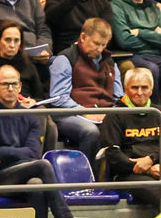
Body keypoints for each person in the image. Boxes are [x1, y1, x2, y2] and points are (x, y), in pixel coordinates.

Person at [0, 65, 102, 218]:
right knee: (43, 165)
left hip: (23, 173)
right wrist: (10, 156)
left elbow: (31, 152)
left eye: (14, 84)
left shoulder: (30, 116)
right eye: (5, 84)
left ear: (20, 86)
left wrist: (2, 153)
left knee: (37, 184)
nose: (10, 88)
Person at [49, 17, 123, 166]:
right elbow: (58, 97)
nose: (100, 49)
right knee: (91, 132)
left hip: (104, 113)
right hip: (70, 114)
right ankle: (90, 182)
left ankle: (117, 180)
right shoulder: (65, 59)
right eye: (96, 43)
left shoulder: (110, 62)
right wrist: (84, 111)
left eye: (103, 45)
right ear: (83, 37)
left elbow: (118, 96)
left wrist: (112, 113)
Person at [99, 67, 161, 204]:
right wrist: (146, 169)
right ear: (125, 89)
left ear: (152, 90)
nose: (139, 92)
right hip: (127, 174)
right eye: (134, 88)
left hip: (160, 168)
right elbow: (112, 154)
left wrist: (152, 159)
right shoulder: (114, 115)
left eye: (144, 88)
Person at [113, 0, 161, 99]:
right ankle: (155, 113)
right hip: (131, 56)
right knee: (151, 69)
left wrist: (140, 32)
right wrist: (155, 36)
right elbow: (124, 40)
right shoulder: (117, 6)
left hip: (156, 57)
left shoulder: (154, 8)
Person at [45, 0, 113, 54]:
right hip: (64, 53)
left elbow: (106, 33)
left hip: (94, 51)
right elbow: (50, 19)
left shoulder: (101, 2)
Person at [0, 20, 48, 101]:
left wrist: (33, 102)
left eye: (16, 40)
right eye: (8, 40)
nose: (12, 45)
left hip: (28, 109)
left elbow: (39, 96)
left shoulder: (28, 65)